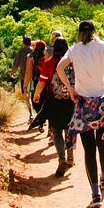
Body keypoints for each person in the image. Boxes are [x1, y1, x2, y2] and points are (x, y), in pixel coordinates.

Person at [57, 20, 104, 208]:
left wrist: (71, 90)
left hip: (83, 102)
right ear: (94, 31)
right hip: (101, 101)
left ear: (79, 34)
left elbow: (60, 68)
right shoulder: (102, 46)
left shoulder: (74, 50)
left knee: (89, 148)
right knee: (103, 142)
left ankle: (95, 193)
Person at [31, 36, 76, 176]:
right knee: (69, 129)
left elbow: (41, 83)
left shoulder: (49, 63)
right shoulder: (73, 62)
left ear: (54, 49)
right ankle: (70, 157)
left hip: (55, 100)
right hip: (71, 100)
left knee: (56, 131)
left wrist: (36, 95)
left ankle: (61, 158)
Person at [9, 36, 34, 122]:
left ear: (23, 43)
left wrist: (12, 74)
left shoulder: (21, 51)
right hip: (35, 77)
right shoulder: (34, 50)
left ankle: (31, 114)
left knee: (27, 95)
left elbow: (15, 64)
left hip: (24, 77)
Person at [26, 40, 47, 128]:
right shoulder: (47, 57)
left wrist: (25, 85)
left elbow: (28, 73)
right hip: (46, 82)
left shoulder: (32, 58)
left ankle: (41, 119)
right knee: (45, 101)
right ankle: (48, 123)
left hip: (36, 82)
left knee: (35, 102)